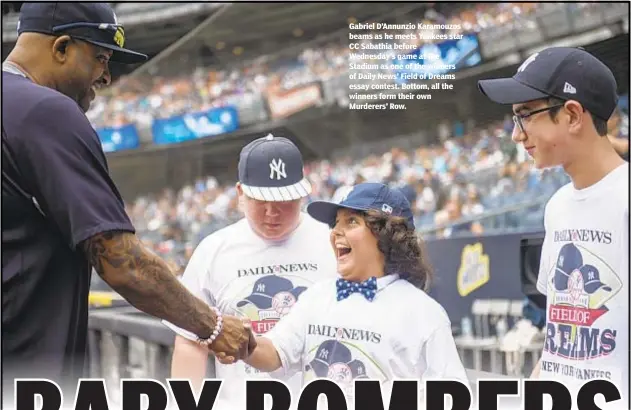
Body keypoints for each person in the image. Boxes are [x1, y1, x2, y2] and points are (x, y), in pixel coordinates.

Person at [1, 2, 252, 399]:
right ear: (61, 47)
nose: (106, 76)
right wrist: (215, 326)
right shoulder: (45, 111)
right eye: (100, 58)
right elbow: (121, 263)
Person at [217, 182, 469, 406]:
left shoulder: (425, 314)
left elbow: (452, 398)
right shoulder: (318, 296)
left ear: (386, 236)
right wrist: (243, 343)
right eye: (336, 223)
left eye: (351, 222)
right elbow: (275, 353)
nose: (335, 232)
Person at [478, 46, 629, 408]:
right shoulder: (557, 205)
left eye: (525, 116)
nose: (516, 135)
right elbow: (560, 332)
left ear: (573, 114)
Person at [163, 134, 338, 409]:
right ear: (241, 193)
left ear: (303, 192)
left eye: (284, 200)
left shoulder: (334, 243)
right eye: (260, 200)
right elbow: (189, 342)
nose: (272, 212)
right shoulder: (213, 252)